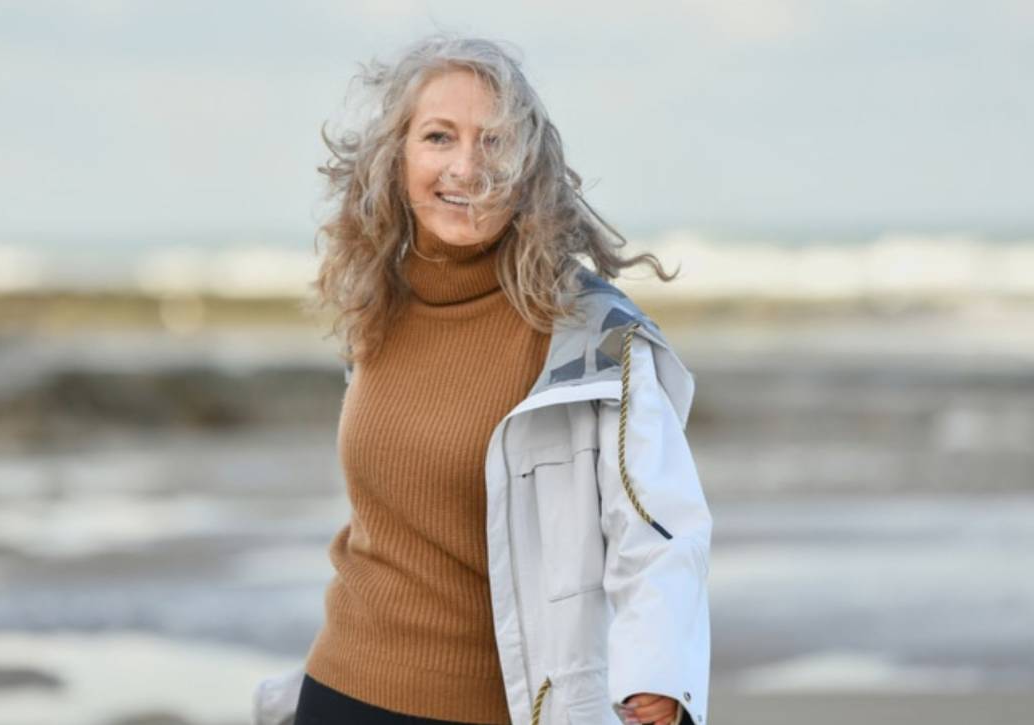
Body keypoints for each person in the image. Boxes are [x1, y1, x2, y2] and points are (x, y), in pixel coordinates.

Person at [254, 34, 712, 725]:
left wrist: (660, 676)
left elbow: (658, 528)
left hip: (490, 710)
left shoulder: (591, 336)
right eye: (439, 137)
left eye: (493, 143)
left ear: (530, 171)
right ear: (396, 157)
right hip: (339, 691)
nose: (465, 167)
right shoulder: (378, 304)